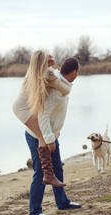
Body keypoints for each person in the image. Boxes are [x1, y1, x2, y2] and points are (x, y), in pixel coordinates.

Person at [25, 57, 81, 215]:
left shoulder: (60, 82)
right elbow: (43, 116)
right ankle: (34, 212)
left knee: (57, 168)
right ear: (74, 72)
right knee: (41, 172)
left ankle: (62, 202)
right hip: (37, 135)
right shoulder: (56, 89)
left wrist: (54, 133)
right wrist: (49, 139)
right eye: (79, 70)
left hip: (50, 134)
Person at [13, 50, 72, 187]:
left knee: (43, 136)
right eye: (49, 58)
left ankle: (49, 174)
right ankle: (48, 175)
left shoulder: (35, 71)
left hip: (22, 107)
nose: (53, 59)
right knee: (42, 137)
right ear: (43, 62)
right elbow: (66, 89)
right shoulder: (47, 74)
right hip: (23, 110)